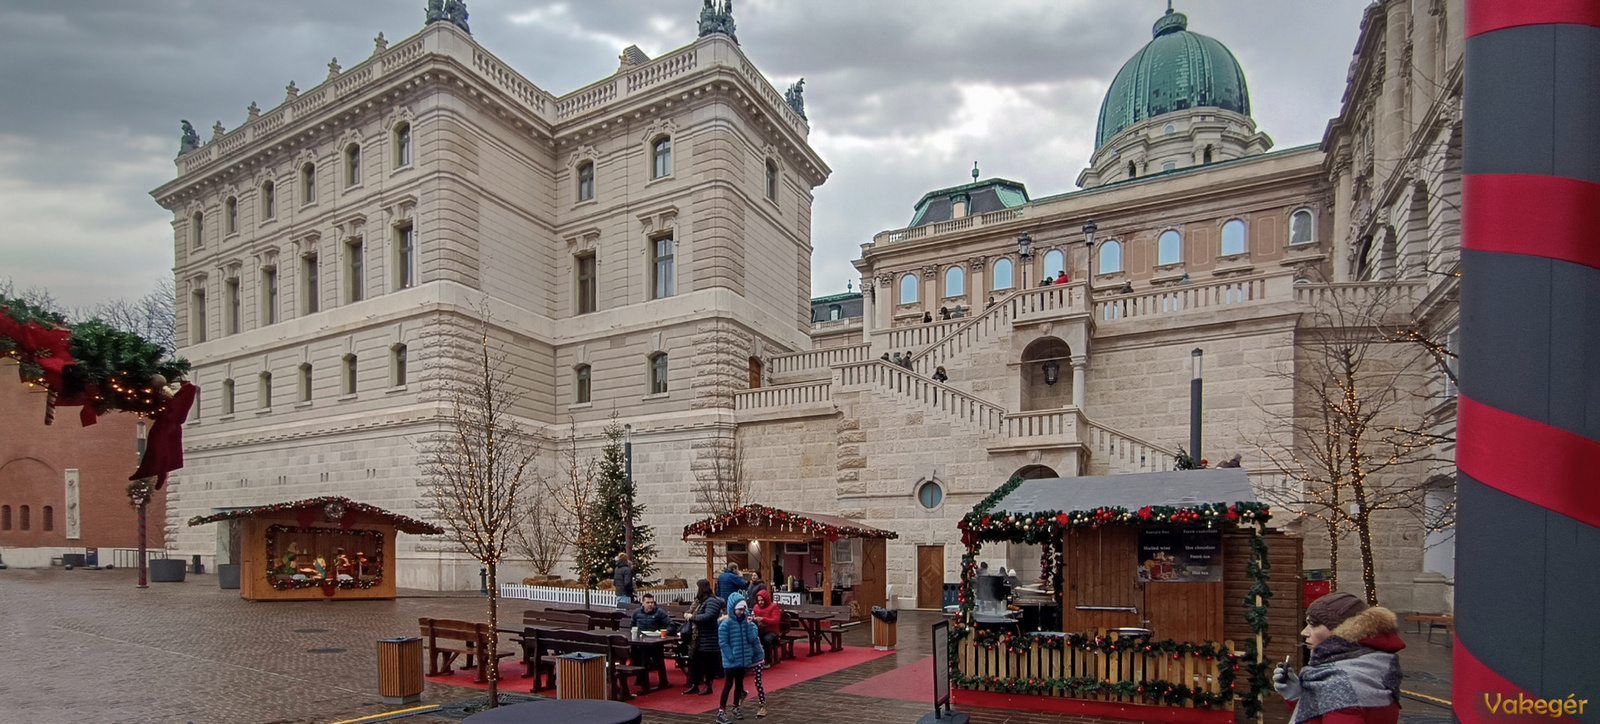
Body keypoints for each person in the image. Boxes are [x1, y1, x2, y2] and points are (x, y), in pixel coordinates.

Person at [1274, 592, 1404, 724]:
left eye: (1314, 624)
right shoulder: (1373, 663)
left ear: (1341, 630)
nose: (1304, 632)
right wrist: (1297, 696)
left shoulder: (1342, 687)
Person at [716, 592, 763, 723]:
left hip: (743, 660)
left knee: (739, 685)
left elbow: (752, 639)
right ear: (732, 608)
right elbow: (723, 643)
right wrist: (730, 656)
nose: (741, 612)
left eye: (743, 609)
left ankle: (736, 707)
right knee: (728, 685)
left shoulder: (746, 623)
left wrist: (750, 625)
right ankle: (721, 711)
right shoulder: (726, 624)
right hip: (731, 661)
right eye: (739, 609)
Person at [683, 579, 725, 695]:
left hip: (708, 638)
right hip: (698, 639)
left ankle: (708, 686)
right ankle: (694, 684)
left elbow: (708, 617)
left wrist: (692, 617)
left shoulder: (711, 601)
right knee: (695, 662)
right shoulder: (701, 601)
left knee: (708, 664)